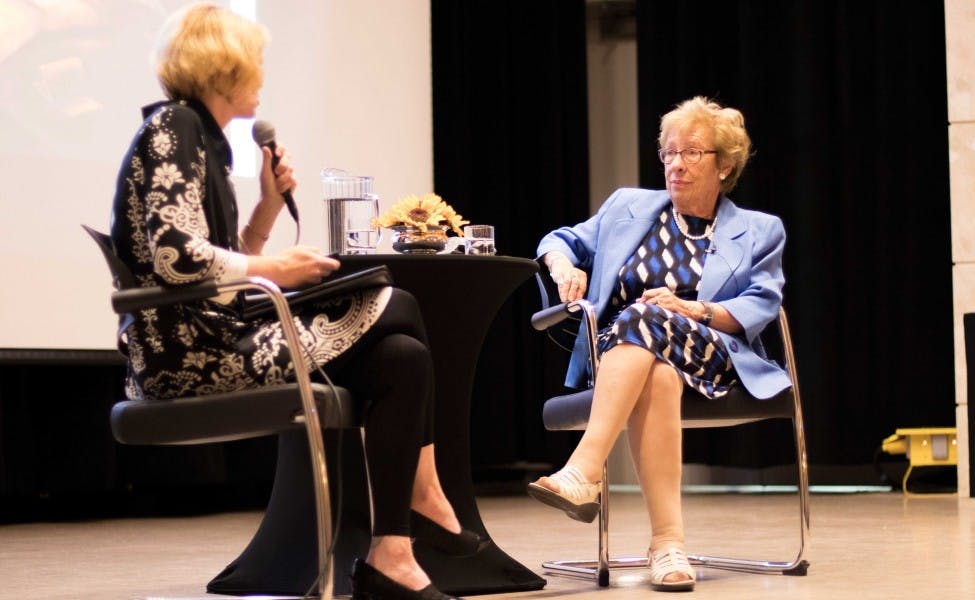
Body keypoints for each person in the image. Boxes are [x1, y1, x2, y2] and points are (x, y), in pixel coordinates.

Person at [109, 5, 477, 599]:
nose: (261, 75)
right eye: (255, 63)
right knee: (397, 300)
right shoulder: (174, 129)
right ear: (223, 67)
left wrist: (265, 213)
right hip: (187, 358)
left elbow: (216, 266)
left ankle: (394, 555)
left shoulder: (200, 138)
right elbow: (178, 256)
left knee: (402, 358)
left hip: (216, 334)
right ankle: (426, 489)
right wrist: (276, 267)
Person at [528, 96, 789, 592]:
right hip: (626, 352)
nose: (676, 164)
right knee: (658, 367)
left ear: (725, 164)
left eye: (691, 153)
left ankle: (585, 467)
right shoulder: (629, 206)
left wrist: (693, 309)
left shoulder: (759, 230)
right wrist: (564, 266)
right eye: (669, 152)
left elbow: (762, 301)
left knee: (647, 316)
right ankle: (668, 546)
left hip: (714, 350)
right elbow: (559, 239)